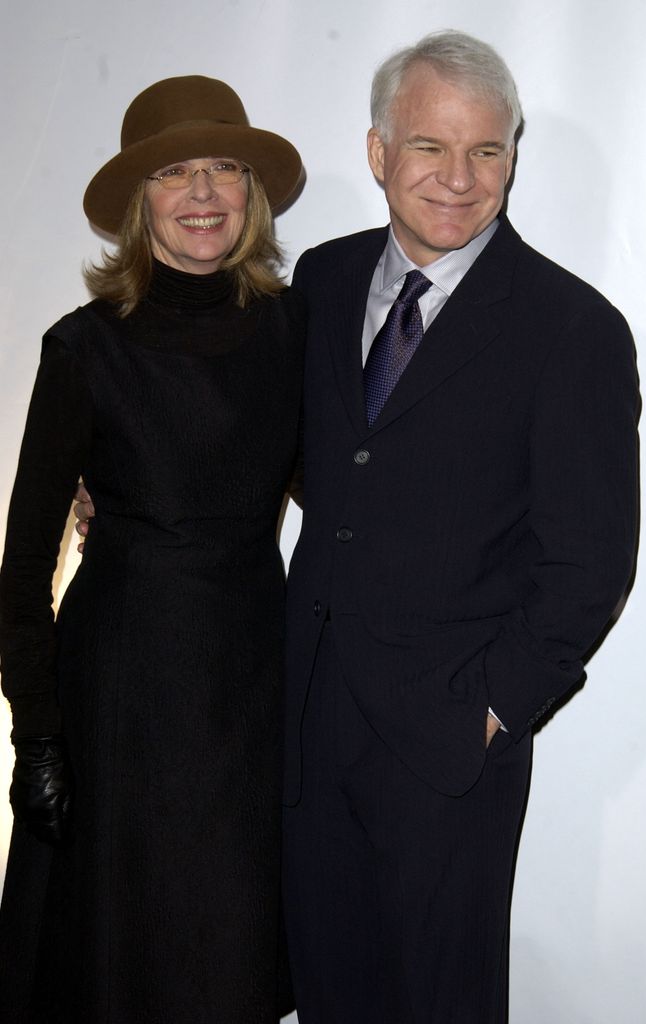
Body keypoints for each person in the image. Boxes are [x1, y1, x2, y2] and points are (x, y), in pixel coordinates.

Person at [279, 30, 640, 1023]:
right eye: (429, 146)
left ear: (512, 156)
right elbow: (295, 454)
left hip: (447, 750)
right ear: (377, 151)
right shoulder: (320, 282)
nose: (457, 178)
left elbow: (588, 564)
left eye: (485, 150)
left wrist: (488, 709)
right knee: (325, 995)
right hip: (305, 726)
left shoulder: (572, 329)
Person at [0, 75, 303, 1023]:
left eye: (224, 169)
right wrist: (36, 733)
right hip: (118, 704)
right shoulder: (83, 348)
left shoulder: (295, 332)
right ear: (142, 202)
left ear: (251, 194)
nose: (203, 193)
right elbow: (23, 566)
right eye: (175, 173)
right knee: (115, 968)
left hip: (251, 697)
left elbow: (343, 491)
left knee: (228, 961)